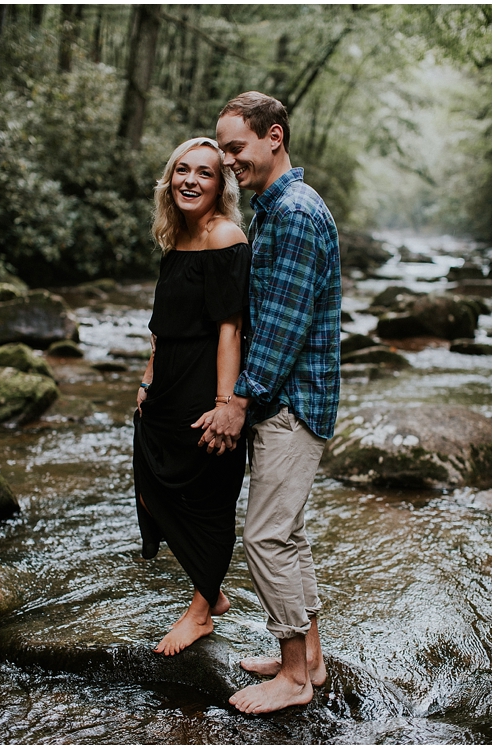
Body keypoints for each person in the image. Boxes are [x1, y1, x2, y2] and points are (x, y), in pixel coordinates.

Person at [196, 91, 341, 714]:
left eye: (236, 147)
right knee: (292, 534)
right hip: (290, 400)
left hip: (292, 402)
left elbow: (282, 325)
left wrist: (239, 400)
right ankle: (309, 655)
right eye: (223, 149)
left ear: (273, 137)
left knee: (265, 539)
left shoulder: (295, 213)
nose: (229, 161)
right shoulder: (278, 206)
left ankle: (292, 679)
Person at [133, 137, 251, 657]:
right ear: (169, 178)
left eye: (204, 173)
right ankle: (215, 590)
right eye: (182, 170)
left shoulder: (225, 235)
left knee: (206, 499)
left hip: (207, 383)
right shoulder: (173, 236)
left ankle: (200, 611)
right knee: (149, 490)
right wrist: (146, 379)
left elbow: (230, 328)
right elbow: (162, 327)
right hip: (165, 388)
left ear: (220, 184)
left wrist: (227, 404)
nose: (190, 180)